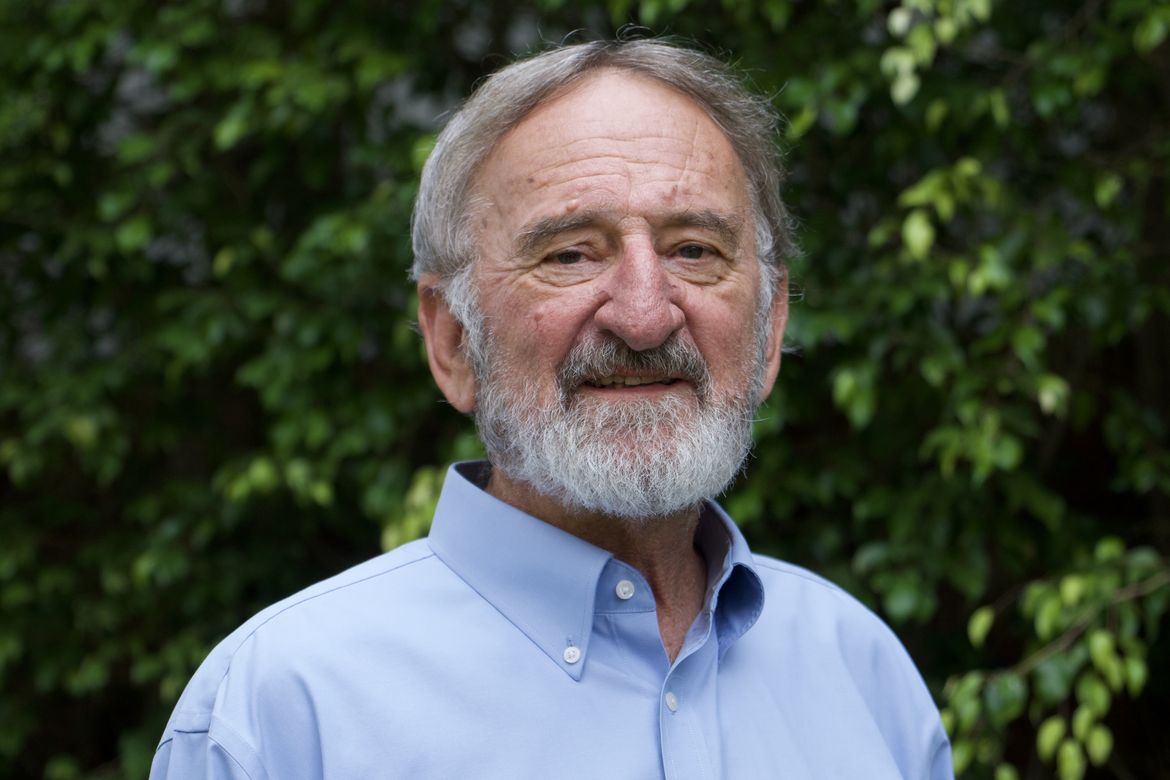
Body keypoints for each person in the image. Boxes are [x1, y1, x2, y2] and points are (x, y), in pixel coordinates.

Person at [151, 39, 953, 779]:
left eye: (693, 251)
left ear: (768, 333)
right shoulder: (283, 711)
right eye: (570, 253)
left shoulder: (862, 672)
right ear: (454, 341)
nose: (644, 316)